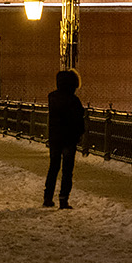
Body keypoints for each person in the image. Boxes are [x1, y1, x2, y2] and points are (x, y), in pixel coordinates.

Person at [43, 69, 86, 209]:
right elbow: (79, 121)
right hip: (69, 139)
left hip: (55, 138)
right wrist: (80, 135)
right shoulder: (74, 101)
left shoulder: (52, 97)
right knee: (67, 171)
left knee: (53, 168)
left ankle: (47, 198)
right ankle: (63, 199)